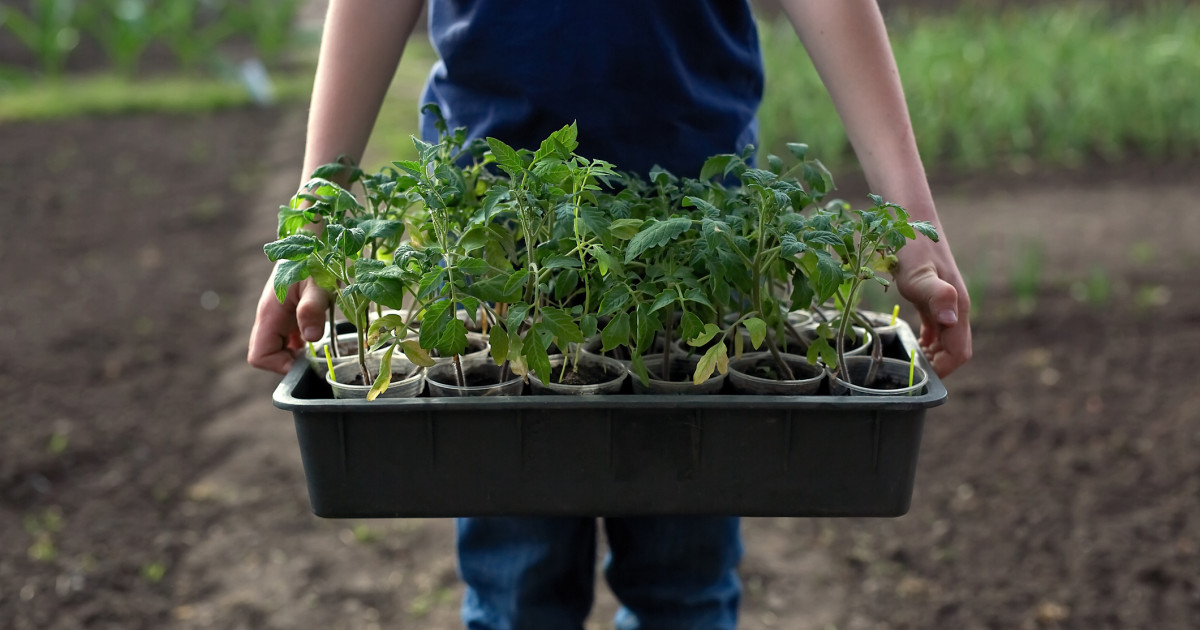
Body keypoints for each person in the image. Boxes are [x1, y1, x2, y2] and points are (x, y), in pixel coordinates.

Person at [248, 1, 972, 628]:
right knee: (518, 588)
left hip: (700, 235)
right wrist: (317, 212)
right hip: (497, 240)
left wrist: (909, 215)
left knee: (681, 586)